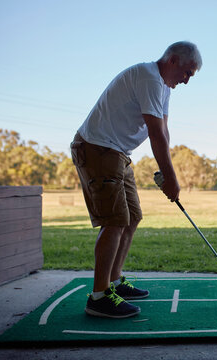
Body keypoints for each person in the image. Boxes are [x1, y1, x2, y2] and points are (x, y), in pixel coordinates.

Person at [70, 41, 202, 318]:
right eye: (188, 72)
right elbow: (154, 133)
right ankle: (98, 296)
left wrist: (169, 175)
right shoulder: (148, 78)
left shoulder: (164, 87)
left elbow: (164, 132)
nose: (188, 80)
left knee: (132, 217)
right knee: (115, 221)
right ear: (174, 60)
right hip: (98, 148)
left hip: (117, 152)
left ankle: (115, 281)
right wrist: (170, 178)